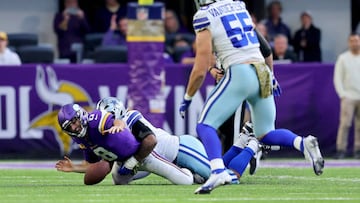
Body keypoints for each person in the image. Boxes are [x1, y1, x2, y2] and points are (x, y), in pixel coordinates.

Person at [179, 0, 324, 194]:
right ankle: (302, 142)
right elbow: (264, 48)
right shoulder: (238, 6)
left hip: (240, 72)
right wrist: (271, 76)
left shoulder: (204, 15)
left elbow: (199, 68)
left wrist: (188, 97)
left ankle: (218, 171)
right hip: (261, 71)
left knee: (205, 125)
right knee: (265, 133)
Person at [56, 103, 194, 185]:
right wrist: (73, 167)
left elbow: (117, 120)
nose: (74, 128)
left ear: (80, 115)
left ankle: (183, 169)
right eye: (69, 127)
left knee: (186, 181)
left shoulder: (95, 119)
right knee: (118, 180)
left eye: (74, 122)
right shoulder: (80, 138)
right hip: (122, 163)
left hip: (142, 155)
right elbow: (91, 164)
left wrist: (119, 126)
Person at [333, 32, 360, 159]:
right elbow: (337, 77)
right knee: (345, 124)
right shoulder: (343, 58)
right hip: (348, 96)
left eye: (357, 40)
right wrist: (342, 94)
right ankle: (341, 149)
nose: (355, 43)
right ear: (349, 43)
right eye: (352, 41)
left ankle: (358, 149)